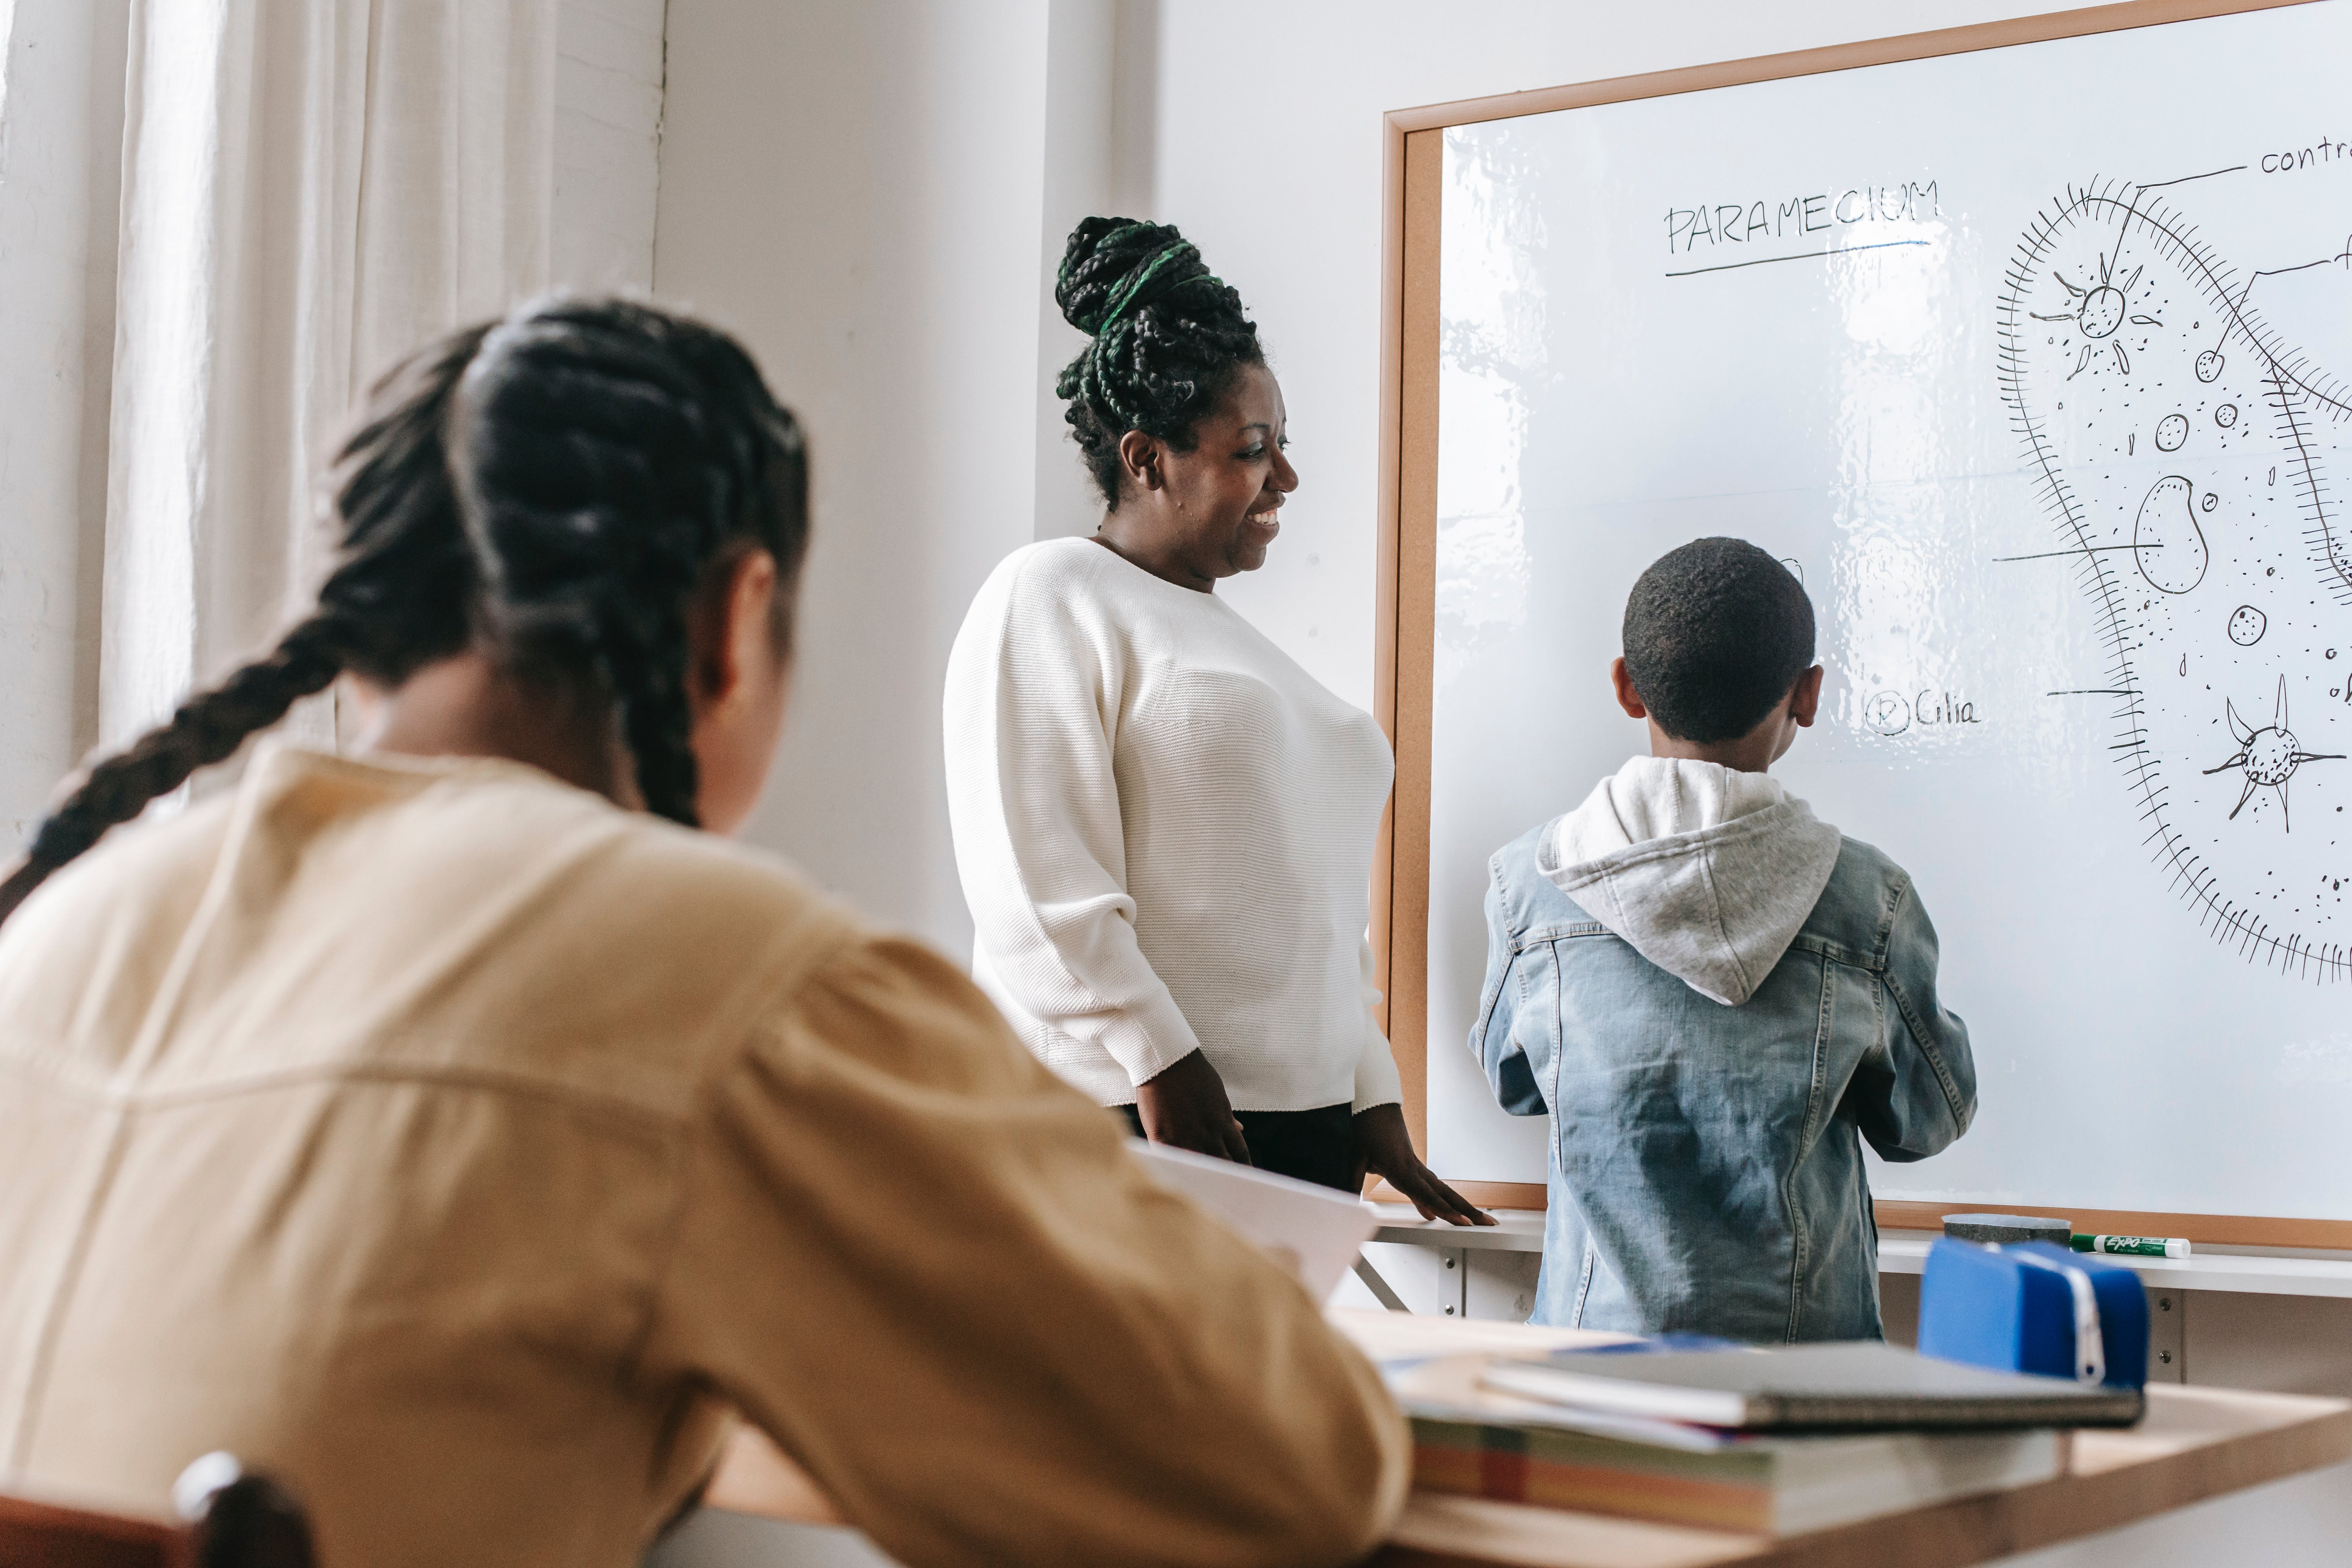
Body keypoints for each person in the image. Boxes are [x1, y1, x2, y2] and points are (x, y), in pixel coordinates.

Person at [0, 298, 1408, 1568]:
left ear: (360, 635)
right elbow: (1291, 1469)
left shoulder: (61, 935)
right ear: (737, 622)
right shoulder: (734, 984)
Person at [944, 218, 1488, 1225]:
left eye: (1283, 446)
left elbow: (1317, 904)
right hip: (1143, 1113)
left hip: (1299, 1128)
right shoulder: (1050, 593)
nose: (1286, 479)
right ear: (1147, 458)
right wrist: (1158, 1051)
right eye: (1252, 449)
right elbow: (1036, 880)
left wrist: (1370, 1086)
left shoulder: (1229, 638)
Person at [1470, 537, 1976, 1341]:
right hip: (1810, 1373)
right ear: (1807, 696)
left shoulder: (1531, 887)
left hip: (1591, 1367)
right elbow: (1927, 1120)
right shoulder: (1867, 903)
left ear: (1628, 687)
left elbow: (1517, 1085)